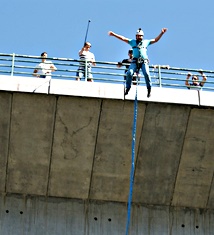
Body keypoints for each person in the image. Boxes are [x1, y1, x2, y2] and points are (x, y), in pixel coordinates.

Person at [108, 27, 168, 97]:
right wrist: (113, 34)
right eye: (138, 36)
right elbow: (123, 38)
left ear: (142, 36)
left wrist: (162, 33)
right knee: (129, 73)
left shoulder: (146, 42)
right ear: (136, 36)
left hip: (143, 61)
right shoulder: (132, 42)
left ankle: (149, 88)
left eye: (140, 36)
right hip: (135, 61)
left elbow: (155, 40)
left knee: (146, 74)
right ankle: (128, 88)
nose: (139, 37)